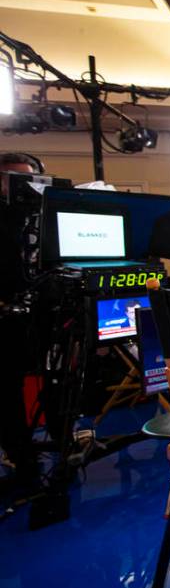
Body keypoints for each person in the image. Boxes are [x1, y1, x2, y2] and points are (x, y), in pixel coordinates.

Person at [0, 153, 42, 492]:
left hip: (39, 313)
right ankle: (21, 459)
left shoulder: (37, 218)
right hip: (5, 318)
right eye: (16, 180)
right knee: (9, 394)